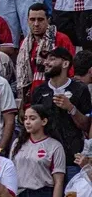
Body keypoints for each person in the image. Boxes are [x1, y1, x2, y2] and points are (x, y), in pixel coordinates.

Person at [29, 47, 90, 182]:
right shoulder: (39, 91)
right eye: (46, 59)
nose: (46, 62)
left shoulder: (80, 89)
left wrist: (71, 108)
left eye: (52, 59)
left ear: (65, 63)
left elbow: (86, 126)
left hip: (72, 159)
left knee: (71, 195)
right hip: (44, 160)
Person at [10, 104, 66, 197]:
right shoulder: (17, 143)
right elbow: (11, 171)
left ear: (44, 121)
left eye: (32, 118)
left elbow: (59, 182)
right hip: (20, 196)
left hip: (43, 196)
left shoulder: (55, 146)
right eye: (25, 118)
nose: (27, 122)